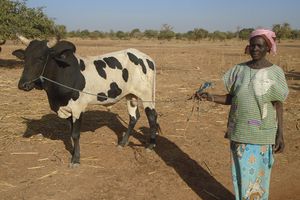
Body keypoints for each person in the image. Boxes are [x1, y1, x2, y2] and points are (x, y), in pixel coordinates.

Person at [196, 29, 289, 200]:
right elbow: (231, 98)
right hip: (239, 133)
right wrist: (209, 97)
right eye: (252, 45)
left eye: (260, 46)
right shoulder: (238, 70)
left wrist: (280, 134)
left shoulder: (275, 73)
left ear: (268, 48)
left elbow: (278, 105)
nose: (255, 49)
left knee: (258, 182)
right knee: (240, 179)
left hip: (262, 135)